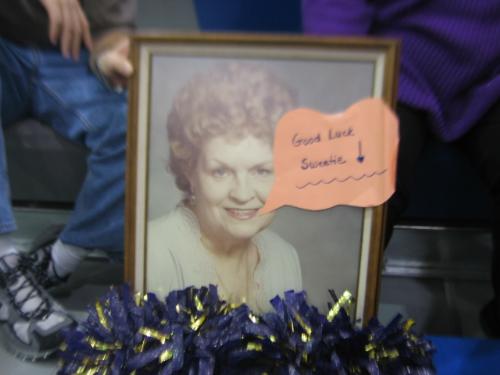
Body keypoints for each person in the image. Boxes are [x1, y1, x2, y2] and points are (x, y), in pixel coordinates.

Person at [302, 0, 500, 337]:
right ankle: (321, 336)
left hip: (493, 73)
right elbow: (334, 21)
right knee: (355, 195)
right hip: (395, 63)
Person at [0, 0, 136, 359]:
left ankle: (57, 263)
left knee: (129, 120)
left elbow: (112, 25)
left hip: (68, 56)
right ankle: (6, 263)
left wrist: (111, 51)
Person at [147, 63, 303, 313]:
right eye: (221, 171)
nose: (242, 194)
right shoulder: (152, 253)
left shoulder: (285, 258)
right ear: (190, 170)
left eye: (262, 171)